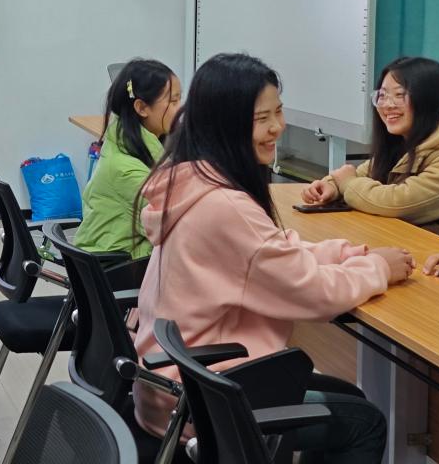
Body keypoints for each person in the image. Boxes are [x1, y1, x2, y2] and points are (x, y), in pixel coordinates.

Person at [133, 53, 414, 463]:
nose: (277, 127)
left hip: (174, 384)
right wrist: (376, 269)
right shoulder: (225, 206)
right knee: (364, 422)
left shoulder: (191, 180)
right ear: (225, 125)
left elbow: (271, 252)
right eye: (261, 118)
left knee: (348, 396)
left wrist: (345, 253)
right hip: (204, 401)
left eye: (278, 112)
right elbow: (313, 294)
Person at [302, 56, 439, 237]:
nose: (387, 105)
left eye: (399, 95)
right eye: (382, 96)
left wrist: (347, 184)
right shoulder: (407, 138)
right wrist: (331, 186)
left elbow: (398, 203)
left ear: (429, 98)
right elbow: (363, 173)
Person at [73, 59, 180, 258]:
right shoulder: (126, 171)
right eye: (173, 102)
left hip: (118, 256)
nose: (180, 109)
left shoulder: (125, 142)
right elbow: (172, 231)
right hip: (116, 267)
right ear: (142, 108)